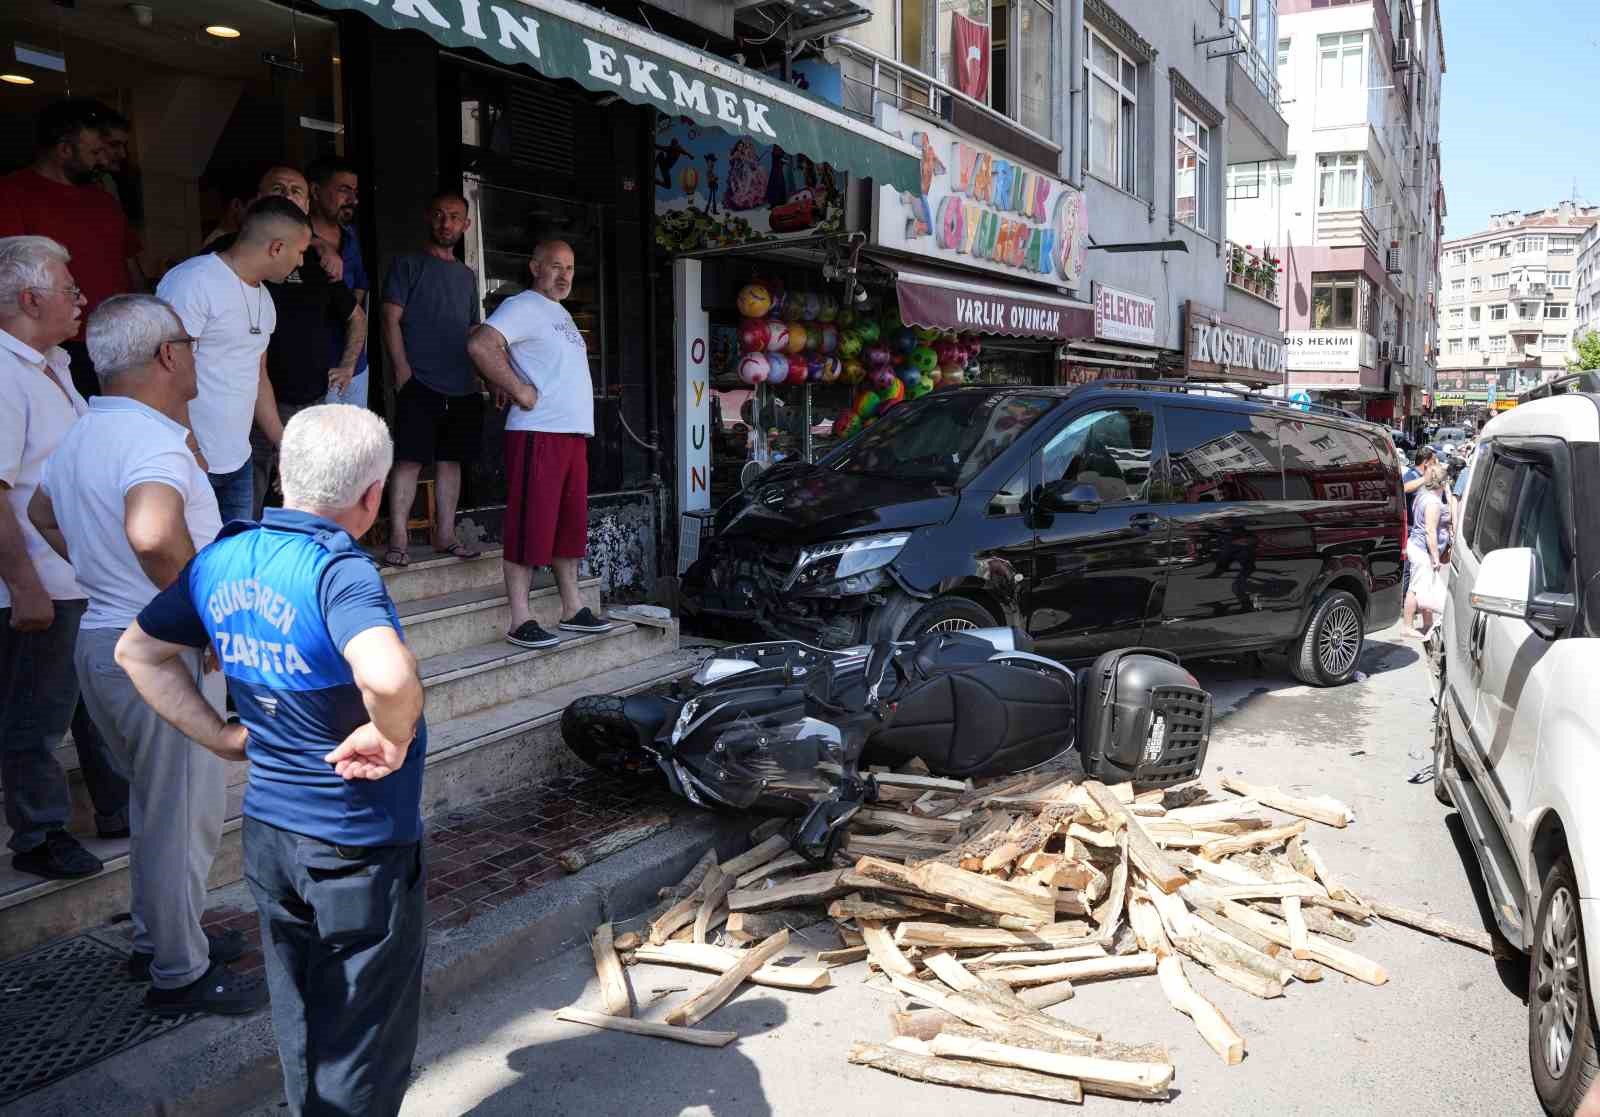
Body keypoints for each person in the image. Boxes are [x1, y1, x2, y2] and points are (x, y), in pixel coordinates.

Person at [117, 405, 427, 1116]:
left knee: (301, 1024)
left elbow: (135, 651)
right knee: (361, 1049)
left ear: (286, 476)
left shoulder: (222, 556)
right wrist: (395, 733)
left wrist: (219, 736)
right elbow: (386, 676)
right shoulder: (338, 573)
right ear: (373, 496)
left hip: (271, 836)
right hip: (356, 845)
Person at [29, 294, 265, 1015]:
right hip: (156, 653)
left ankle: (160, 938)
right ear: (168, 355)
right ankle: (179, 973)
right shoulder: (154, 440)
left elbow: (42, 513)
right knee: (178, 817)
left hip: (104, 641)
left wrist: (106, 577)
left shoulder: (84, 433)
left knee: (158, 810)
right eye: (189, 344)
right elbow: (155, 534)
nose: (194, 356)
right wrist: (206, 623)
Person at [0, 235, 128, 879]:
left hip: (77, 573)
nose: (82, 301)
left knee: (90, 703)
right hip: (38, 578)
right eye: (70, 291)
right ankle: (38, 833)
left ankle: (116, 808)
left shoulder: (52, 363)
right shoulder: (2, 372)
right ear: (29, 298)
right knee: (37, 711)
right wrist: (23, 583)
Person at [467, 240, 611, 647]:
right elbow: (480, 343)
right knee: (529, 524)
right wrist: (515, 387)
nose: (564, 275)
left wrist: (506, 376)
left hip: (570, 434)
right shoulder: (523, 305)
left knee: (567, 527)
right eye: (554, 266)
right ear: (534, 267)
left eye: (569, 267)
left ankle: (572, 608)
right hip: (538, 432)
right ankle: (520, 618)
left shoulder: (559, 312)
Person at [207, 168, 365, 519]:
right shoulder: (222, 260)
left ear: (308, 203)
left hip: (308, 401)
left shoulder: (316, 260)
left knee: (305, 496)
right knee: (246, 501)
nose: (287, 196)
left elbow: (356, 315)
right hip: (247, 404)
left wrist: (349, 363)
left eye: (296, 191)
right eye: (277, 189)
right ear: (255, 201)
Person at [156, 195, 311, 524]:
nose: (301, 263)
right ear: (276, 247)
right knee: (194, 568)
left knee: (230, 565)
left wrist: (282, 442)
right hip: (190, 461)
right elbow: (164, 372)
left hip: (237, 462)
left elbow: (258, 375)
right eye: (300, 252)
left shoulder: (264, 299)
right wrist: (192, 449)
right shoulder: (193, 281)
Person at [0, 99, 144, 398]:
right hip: (54, 344)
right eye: (94, 153)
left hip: (117, 340)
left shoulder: (104, 200)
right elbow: (9, 275)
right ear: (65, 150)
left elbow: (128, 262)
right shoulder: (12, 193)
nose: (101, 161)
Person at [382, 192, 483, 565]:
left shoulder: (466, 276)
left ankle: (445, 535)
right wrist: (402, 369)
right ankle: (398, 539)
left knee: (451, 461)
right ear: (429, 218)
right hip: (418, 379)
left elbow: (474, 329)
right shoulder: (408, 264)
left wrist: (483, 376)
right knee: (408, 459)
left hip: (462, 382)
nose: (446, 223)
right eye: (439, 215)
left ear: (465, 225)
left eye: (454, 217)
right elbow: (390, 318)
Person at [307, 158, 371, 409]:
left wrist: (348, 315)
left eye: (355, 192)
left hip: (355, 365)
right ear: (315, 190)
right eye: (344, 189)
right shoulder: (294, 237)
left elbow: (360, 284)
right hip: (315, 371)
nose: (353, 200)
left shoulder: (351, 236)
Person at [1403, 462, 1452, 638]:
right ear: (1443, 482)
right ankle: (1407, 626)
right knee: (1415, 589)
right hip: (1422, 550)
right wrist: (1435, 556)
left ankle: (1428, 624)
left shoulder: (1424, 496)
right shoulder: (1433, 502)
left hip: (1418, 547)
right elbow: (1430, 531)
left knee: (1424, 587)